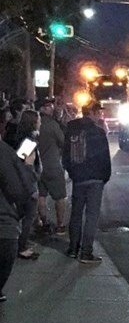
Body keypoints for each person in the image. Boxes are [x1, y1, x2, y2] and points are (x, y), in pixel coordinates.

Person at [64, 100, 113, 265]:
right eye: (98, 111)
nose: (100, 114)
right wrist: (104, 177)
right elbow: (105, 158)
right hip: (95, 179)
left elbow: (66, 155)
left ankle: (73, 249)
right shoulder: (98, 132)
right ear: (90, 112)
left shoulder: (71, 129)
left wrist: (73, 172)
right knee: (91, 216)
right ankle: (86, 252)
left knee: (76, 214)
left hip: (79, 178)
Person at [0, 120, 38, 301]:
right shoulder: (27, 142)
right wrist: (30, 170)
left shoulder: (12, 142)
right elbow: (18, 183)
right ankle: (22, 245)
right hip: (5, 218)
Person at [3, 109, 40, 261]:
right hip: (27, 184)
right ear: (33, 122)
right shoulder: (29, 141)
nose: (40, 122)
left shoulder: (22, 138)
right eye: (38, 120)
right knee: (28, 216)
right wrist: (31, 188)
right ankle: (21, 246)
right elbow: (24, 165)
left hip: (25, 182)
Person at [34, 97, 68, 238]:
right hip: (53, 165)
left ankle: (44, 222)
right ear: (41, 109)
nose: (51, 108)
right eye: (47, 106)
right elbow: (63, 142)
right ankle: (60, 225)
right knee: (60, 196)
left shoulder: (32, 125)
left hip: (37, 167)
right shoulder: (52, 125)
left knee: (41, 195)